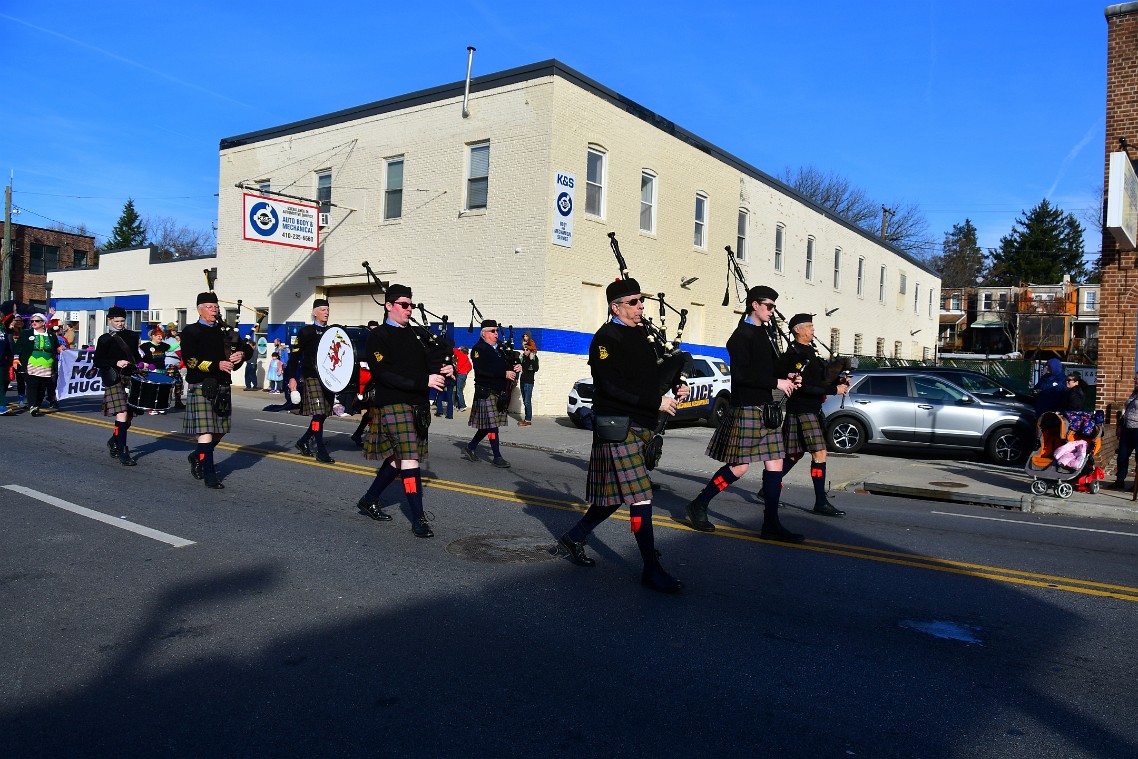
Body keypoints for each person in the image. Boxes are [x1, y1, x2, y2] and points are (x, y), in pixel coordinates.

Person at [557, 278, 691, 592]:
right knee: (641, 496)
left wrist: (675, 383)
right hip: (618, 427)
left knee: (616, 497)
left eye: (641, 300)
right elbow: (611, 387)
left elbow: (652, 376)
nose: (641, 306)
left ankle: (574, 536)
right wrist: (656, 401)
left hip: (640, 424)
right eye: (633, 302)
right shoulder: (606, 338)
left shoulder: (643, 334)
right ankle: (651, 567)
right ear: (616, 306)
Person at [682, 286, 805, 542]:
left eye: (774, 307)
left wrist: (787, 376)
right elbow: (741, 375)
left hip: (764, 408)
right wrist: (776, 383)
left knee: (776, 464)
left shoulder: (767, 334)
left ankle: (770, 524)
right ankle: (699, 504)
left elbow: (770, 368)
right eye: (769, 306)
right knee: (739, 468)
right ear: (754, 305)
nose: (772, 311)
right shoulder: (740, 336)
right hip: (746, 408)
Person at [357, 284, 453, 537]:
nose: (409, 310)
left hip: (418, 405)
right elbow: (384, 373)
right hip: (394, 403)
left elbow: (432, 362)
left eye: (411, 305)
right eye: (404, 305)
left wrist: (445, 371)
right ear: (389, 306)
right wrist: (424, 381)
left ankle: (369, 499)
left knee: (399, 460)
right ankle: (418, 518)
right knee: (410, 459)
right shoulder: (378, 337)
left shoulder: (416, 335)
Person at [775, 313, 848, 517]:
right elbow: (802, 387)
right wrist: (835, 391)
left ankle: (768, 486)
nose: (813, 329)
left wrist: (837, 382)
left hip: (811, 409)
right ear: (797, 330)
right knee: (820, 453)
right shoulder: (793, 353)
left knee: (794, 454)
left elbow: (819, 381)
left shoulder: (810, 351)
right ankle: (820, 502)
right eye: (809, 326)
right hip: (802, 409)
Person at [182, 291, 253, 489]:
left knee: (220, 432)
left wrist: (241, 354)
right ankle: (209, 473)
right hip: (202, 385)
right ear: (199, 310)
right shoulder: (191, 331)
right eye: (210, 307)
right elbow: (191, 360)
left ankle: (197, 456)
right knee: (206, 431)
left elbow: (247, 349)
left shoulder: (226, 331)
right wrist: (216, 365)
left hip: (222, 386)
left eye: (216, 307)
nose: (215, 310)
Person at [461, 320, 521, 467]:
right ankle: (497, 457)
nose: (496, 333)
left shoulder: (500, 348)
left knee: (488, 426)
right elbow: (482, 371)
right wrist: (504, 373)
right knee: (492, 426)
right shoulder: (478, 349)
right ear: (484, 334)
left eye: (496, 331)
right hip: (486, 392)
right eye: (493, 331)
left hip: (499, 392)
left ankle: (470, 447)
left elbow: (509, 363)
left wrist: (517, 366)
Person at [287, 299, 336, 463]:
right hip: (312, 376)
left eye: (328, 309)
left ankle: (303, 441)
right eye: (323, 309)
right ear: (315, 312)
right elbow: (294, 357)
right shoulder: (306, 332)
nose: (326, 312)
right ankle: (321, 450)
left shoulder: (333, 332)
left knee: (323, 414)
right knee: (318, 412)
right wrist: (291, 378)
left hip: (328, 378)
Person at [93, 306, 141, 466]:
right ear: (110, 320)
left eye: (122, 321)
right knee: (122, 412)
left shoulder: (133, 336)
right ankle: (122, 450)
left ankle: (115, 439)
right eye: (116, 321)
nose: (120, 324)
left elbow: (136, 356)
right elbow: (98, 361)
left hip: (131, 377)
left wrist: (143, 362)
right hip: (114, 378)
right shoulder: (104, 339)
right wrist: (115, 362)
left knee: (129, 416)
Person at [16, 313, 57, 417]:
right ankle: (32, 405)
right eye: (32, 321)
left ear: (43, 323)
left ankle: (37, 404)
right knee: (32, 385)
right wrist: (16, 359)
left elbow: (56, 347)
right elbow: (18, 347)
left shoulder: (51, 335)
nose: (33, 323)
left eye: (36, 321)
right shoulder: (27, 333)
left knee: (42, 387)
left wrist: (61, 348)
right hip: (31, 364)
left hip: (47, 365)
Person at [1111, 373, 1138, 489]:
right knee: (1122, 455)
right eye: (1135, 379)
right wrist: (1120, 426)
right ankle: (1120, 480)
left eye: (1137, 380)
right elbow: (1126, 411)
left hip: (1137, 429)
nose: (1135, 381)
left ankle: (1136, 484)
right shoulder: (1134, 394)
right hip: (1127, 429)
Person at [518, 334, 539, 426]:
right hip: (522, 381)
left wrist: (532, 360)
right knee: (524, 401)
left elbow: (536, 368)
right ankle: (526, 419)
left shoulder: (533, 357)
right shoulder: (523, 358)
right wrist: (519, 360)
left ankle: (528, 420)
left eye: (527, 349)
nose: (525, 350)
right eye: (524, 349)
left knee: (527, 401)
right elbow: (521, 368)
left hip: (529, 382)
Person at [163, 326, 185, 409]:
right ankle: (175, 401)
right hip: (171, 364)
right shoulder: (173, 340)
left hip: (168, 363)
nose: (176, 332)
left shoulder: (165, 339)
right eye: (175, 331)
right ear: (171, 331)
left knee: (173, 382)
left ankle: (173, 401)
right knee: (176, 382)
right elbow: (178, 351)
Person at [7, 316, 26, 407]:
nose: (17, 322)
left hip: (20, 360)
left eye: (20, 320)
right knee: (6, 381)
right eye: (15, 320)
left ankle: (21, 400)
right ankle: (2, 399)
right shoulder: (7, 332)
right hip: (8, 360)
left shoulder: (24, 333)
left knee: (21, 380)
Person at [454, 345, 471, 411]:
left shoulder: (461, 355)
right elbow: (470, 366)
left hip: (460, 374)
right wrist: (466, 371)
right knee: (460, 390)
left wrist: (458, 349)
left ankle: (462, 405)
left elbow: (454, 350)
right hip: (464, 375)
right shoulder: (466, 357)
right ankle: (459, 405)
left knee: (458, 391)